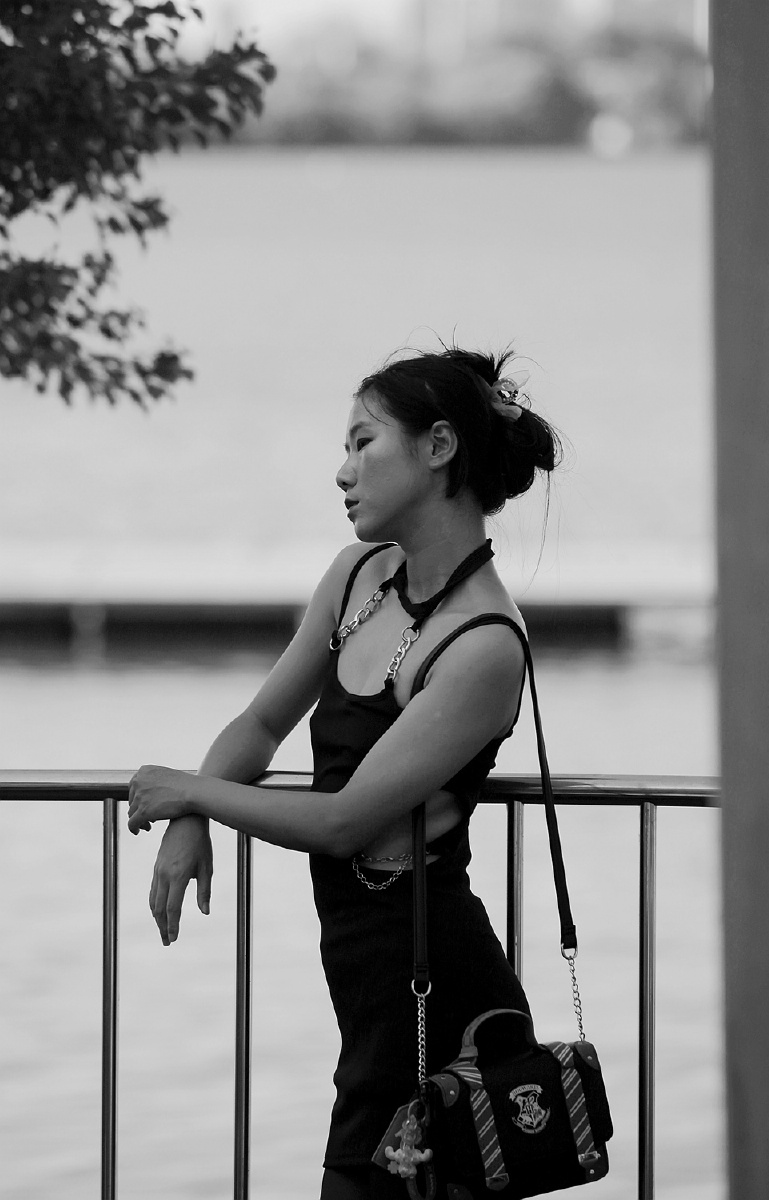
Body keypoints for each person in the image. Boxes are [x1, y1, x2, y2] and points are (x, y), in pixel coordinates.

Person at [127, 345, 561, 1200]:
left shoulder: (483, 642)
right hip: (372, 990)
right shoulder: (358, 576)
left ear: (439, 447)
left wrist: (190, 788)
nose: (343, 471)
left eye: (364, 442)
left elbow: (343, 821)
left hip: (438, 998)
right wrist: (191, 818)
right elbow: (261, 725)